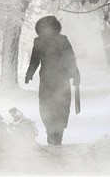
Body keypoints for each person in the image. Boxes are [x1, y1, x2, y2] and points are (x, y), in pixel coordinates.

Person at [25, 16, 80, 146]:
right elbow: (71, 59)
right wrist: (76, 75)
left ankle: (52, 132)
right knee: (61, 106)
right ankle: (56, 134)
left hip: (47, 81)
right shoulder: (62, 40)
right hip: (60, 79)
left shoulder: (39, 41)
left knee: (47, 106)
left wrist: (29, 74)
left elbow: (34, 60)